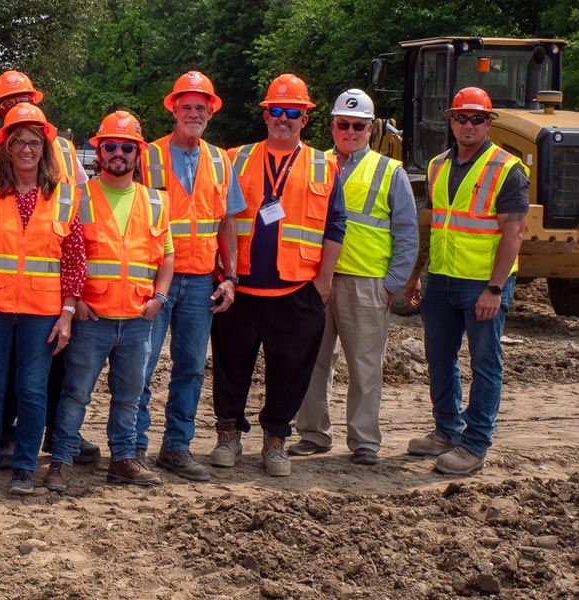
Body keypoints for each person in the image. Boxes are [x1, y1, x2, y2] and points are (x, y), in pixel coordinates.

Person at [210, 74, 346, 477]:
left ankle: (275, 442)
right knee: (230, 368)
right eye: (276, 110)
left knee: (290, 373)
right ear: (265, 115)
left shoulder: (325, 165)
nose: (283, 118)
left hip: (297, 290)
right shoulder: (235, 158)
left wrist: (323, 281)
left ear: (305, 118)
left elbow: (335, 225)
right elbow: (219, 216)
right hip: (241, 288)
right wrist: (224, 274)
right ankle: (228, 436)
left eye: (292, 111)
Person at [43, 110, 174, 492]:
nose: (118, 153)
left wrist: (160, 297)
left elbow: (167, 255)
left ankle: (123, 460)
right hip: (92, 319)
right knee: (75, 394)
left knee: (130, 396)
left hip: (137, 320)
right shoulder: (77, 197)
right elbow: (60, 254)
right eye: (111, 146)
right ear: (99, 152)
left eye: (126, 148)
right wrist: (75, 301)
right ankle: (61, 461)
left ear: (138, 153)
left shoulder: (156, 201)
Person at [0, 104, 85, 495]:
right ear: (7, 148)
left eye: (34, 143)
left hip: (42, 314)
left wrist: (66, 315)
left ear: (45, 149)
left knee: (32, 391)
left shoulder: (65, 196)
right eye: (19, 142)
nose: (27, 149)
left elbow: (74, 260)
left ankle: (25, 469)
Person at [403, 87, 526, 475]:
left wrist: (494, 288)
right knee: (439, 358)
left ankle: (474, 445)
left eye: (476, 118)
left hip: (481, 284)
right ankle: (447, 431)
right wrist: (416, 274)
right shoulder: (438, 166)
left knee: (485, 363)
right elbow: (431, 224)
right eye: (461, 117)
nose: (468, 125)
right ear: (451, 121)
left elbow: (514, 233)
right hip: (441, 279)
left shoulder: (506, 168)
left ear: (488, 123)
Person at [292, 89, 418, 466]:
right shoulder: (314, 164)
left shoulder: (389, 171)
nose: (350, 131)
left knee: (365, 367)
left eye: (358, 126)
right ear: (332, 126)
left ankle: (364, 440)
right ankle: (313, 433)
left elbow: (406, 232)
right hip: (316, 279)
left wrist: (393, 283)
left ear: (370, 129)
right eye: (343, 124)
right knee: (312, 362)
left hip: (366, 282)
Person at [135, 71, 244, 481]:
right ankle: (133, 447)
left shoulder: (220, 160)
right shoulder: (148, 156)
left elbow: (227, 222)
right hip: (155, 280)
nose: (194, 114)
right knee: (141, 367)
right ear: (174, 110)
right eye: (187, 107)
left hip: (200, 281)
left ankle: (176, 448)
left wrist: (230, 277)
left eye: (201, 107)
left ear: (211, 112)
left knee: (191, 369)